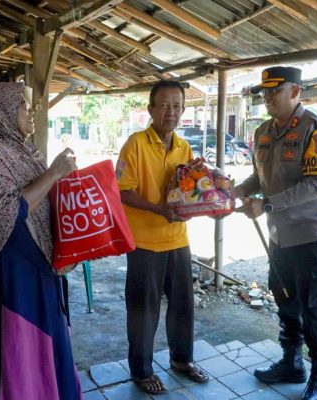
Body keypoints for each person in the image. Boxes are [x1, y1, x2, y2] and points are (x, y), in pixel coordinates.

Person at [233, 66, 317, 400]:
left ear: (295, 92)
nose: (266, 97)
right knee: (284, 297)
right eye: (263, 92)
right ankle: (292, 362)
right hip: (281, 234)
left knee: (315, 306)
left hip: (314, 235)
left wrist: (265, 205)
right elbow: (260, 178)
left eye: (273, 91)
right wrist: (232, 190)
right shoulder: (264, 131)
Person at [0, 82, 81, 400]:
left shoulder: (23, 151)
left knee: (48, 342)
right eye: (21, 104)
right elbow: (4, 213)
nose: (30, 111)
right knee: (21, 351)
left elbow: (43, 201)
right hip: (13, 271)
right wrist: (54, 173)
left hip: (39, 263)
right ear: (0, 111)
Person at [116, 80, 209, 394]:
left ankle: (182, 360)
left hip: (178, 238)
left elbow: (187, 188)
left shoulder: (183, 146)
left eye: (177, 105)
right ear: (151, 109)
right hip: (144, 242)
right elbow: (122, 191)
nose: (171, 112)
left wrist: (206, 193)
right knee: (144, 309)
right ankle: (141, 370)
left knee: (183, 305)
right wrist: (158, 209)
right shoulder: (135, 144)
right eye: (165, 105)